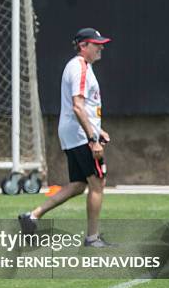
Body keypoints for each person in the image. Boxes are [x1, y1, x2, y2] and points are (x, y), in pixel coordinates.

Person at [19, 28, 111, 247]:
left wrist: (99, 131)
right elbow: (78, 107)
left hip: (76, 134)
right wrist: (93, 139)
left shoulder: (82, 67)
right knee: (98, 183)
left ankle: (32, 217)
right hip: (80, 136)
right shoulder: (78, 67)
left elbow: (86, 107)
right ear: (83, 46)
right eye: (96, 43)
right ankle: (92, 238)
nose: (101, 47)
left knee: (79, 184)